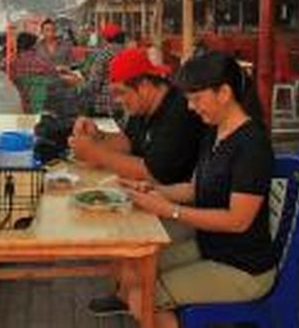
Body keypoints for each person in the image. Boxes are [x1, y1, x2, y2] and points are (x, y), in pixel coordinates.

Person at [88, 52, 276, 327]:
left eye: (196, 98)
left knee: (142, 298)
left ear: (223, 93)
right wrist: (150, 190)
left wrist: (170, 211)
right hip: (211, 248)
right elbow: (194, 189)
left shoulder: (251, 145)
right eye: (188, 99)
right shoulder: (215, 130)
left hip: (243, 268)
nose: (190, 107)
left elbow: (238, 221)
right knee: (136, 268)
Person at [68, 47, 205, 184]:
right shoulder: (142, 107)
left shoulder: (179, 111)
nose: (117, 100)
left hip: (172, 197)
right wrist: (97, 135)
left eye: (121, 92)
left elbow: (154, 174)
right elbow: (128, 143)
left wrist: (96, 154)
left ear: (144, 86)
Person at [9, 32, 79, 118]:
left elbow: (15, 79)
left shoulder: (13, 64)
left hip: (27, 105)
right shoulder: (40, 62)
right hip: (48, 105)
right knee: (75, 82)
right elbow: (53, 75)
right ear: (33, 46)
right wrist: (72, 75)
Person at [78, 22, 123, 117]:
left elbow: (94, 84)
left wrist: (79, 83)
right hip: (123, 104)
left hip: (104, 106)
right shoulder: (127, 52)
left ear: (106, 38)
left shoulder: (104, 55)